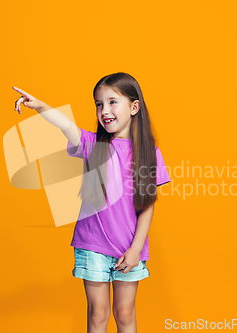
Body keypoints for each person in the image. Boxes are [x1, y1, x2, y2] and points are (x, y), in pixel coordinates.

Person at [12, 72, 171, 333]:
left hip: (129, 247)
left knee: (125, 312)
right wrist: (40, 106)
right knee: (98, 313)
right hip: (92, 244)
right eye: (99, 104)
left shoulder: (149, 153)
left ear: (134, 107)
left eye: (112, 102)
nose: (104, 110)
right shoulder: (92, 145)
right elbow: (65, 125)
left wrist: (136, 248)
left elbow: (147, 205)